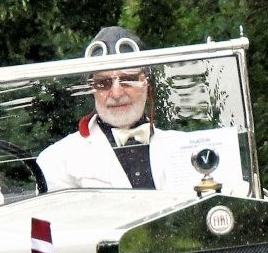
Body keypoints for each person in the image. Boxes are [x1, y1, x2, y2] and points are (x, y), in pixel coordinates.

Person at [37, 25, 232, 193]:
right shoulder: (57, 159)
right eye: (104, 83)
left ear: (147, 83)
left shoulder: (191, 150)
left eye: (128, 79)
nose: (116, 92)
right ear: (91, 89)